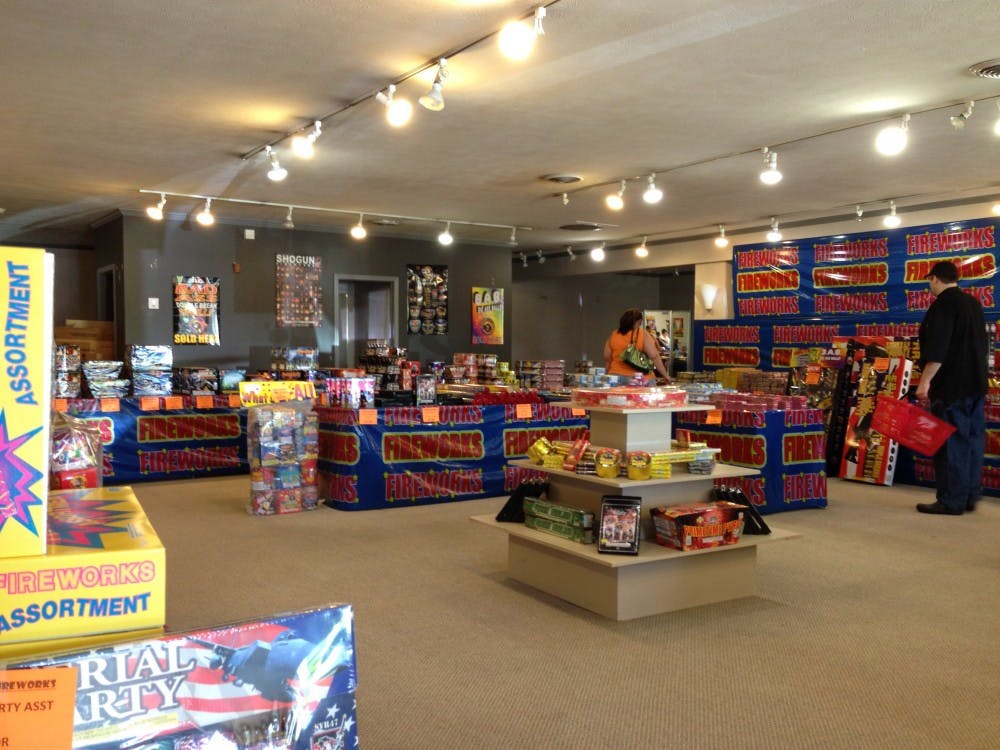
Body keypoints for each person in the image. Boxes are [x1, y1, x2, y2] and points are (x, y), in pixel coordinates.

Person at [914, 260, 987, 515]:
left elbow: (938, 351)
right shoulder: (973, 304)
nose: (929, 286)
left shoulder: (943, 306)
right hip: (976, 385)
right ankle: (969, 495)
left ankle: (951, 500)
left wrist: (924, 383)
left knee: (950, 444)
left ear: (935, 278)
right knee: (972, 442)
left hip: (951, 388)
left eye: (929, 281)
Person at [604, 307, 670, 382]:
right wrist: (665, 375)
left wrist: (607, 376)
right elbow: (654, 356)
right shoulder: (642, 334)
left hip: (616, 377)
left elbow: (607, 359)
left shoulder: (614, 335)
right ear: (638, 321)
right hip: (640, 379)